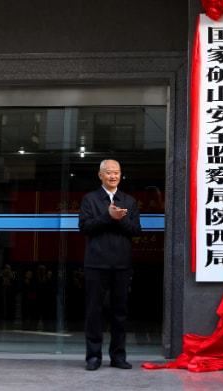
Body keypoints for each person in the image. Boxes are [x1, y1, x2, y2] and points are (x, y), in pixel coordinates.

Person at [79, 159, 142, 371]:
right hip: (96, 264)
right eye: (108, 172)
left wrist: (119, 219)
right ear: (100, 175)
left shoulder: (129, 201)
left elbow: (136, 230)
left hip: (122, 264)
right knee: (94, 312)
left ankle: (118, 356)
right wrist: (108, 216)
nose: (113, 176)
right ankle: (93, 357)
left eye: (116, 172)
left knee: (120, 313)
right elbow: (85, 227)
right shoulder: (90, 199)